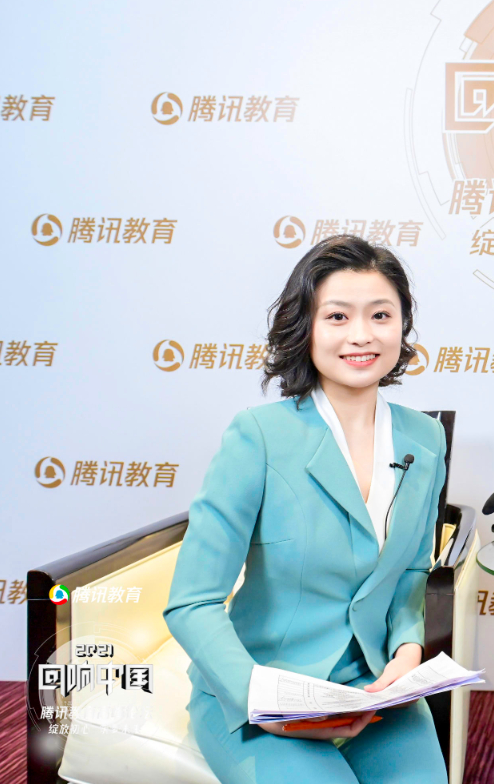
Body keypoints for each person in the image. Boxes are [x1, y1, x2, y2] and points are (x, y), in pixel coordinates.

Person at [165, 235, 449, 784]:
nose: (361, 335)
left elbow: (412, 570)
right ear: (306, 328)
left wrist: (407, 648)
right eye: (337, 316)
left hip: (372, 690)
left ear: (402, 325)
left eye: (381, 315)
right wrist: (265, 700)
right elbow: (191, 603)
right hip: (258, 692)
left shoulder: (426, 437)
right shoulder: (258, 437)